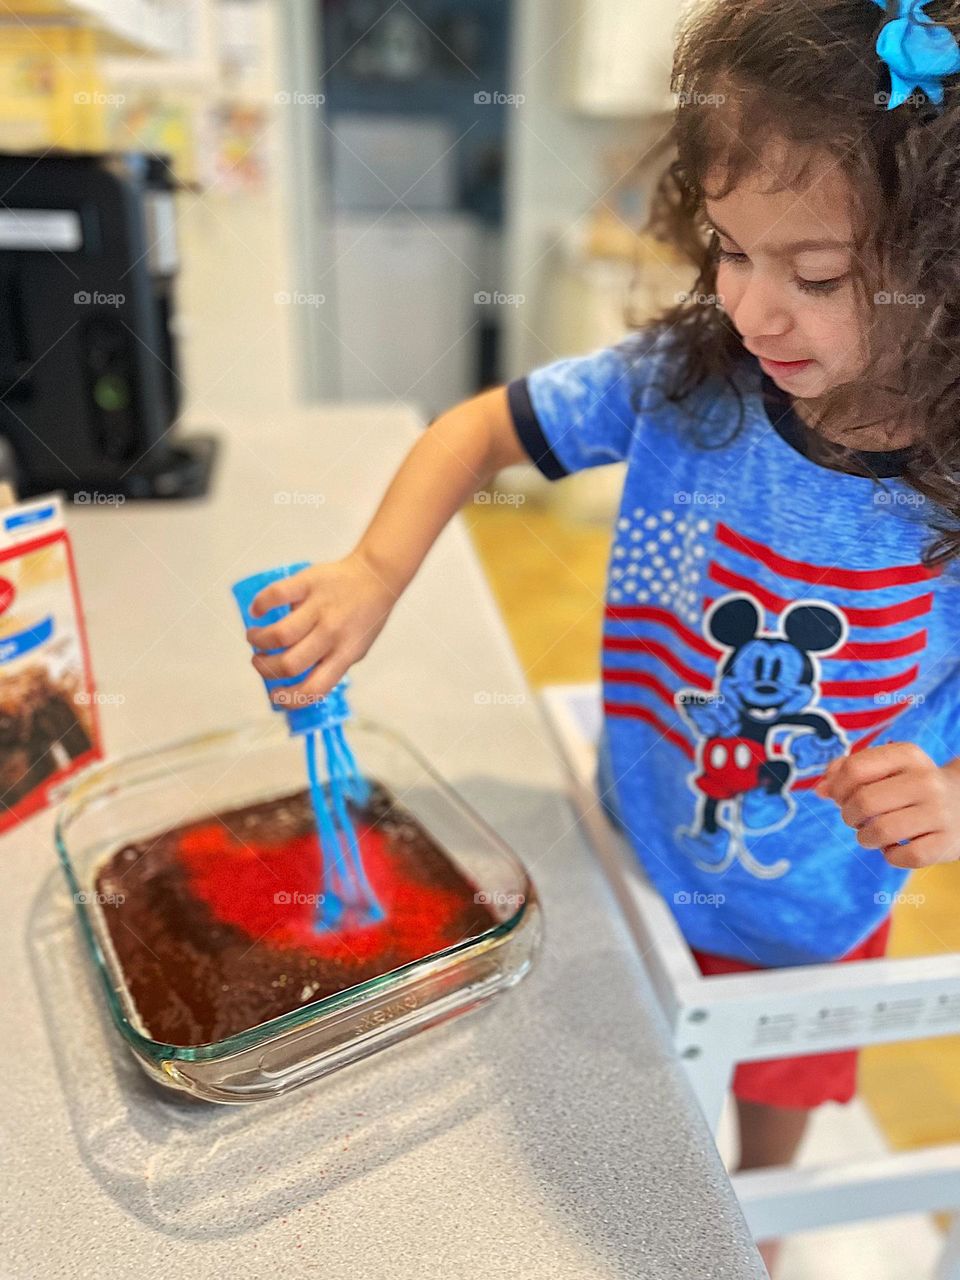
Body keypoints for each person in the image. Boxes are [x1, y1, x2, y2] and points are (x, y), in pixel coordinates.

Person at [246, 1, 960, 1272]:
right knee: (624, 1063)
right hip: (630, 828)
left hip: (808, 906)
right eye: (731, 249)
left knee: (774, 1094)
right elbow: (478, 430)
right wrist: (368, 570)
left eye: (816, 276)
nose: (751, 305)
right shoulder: (692, 380)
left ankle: (745, 1227)